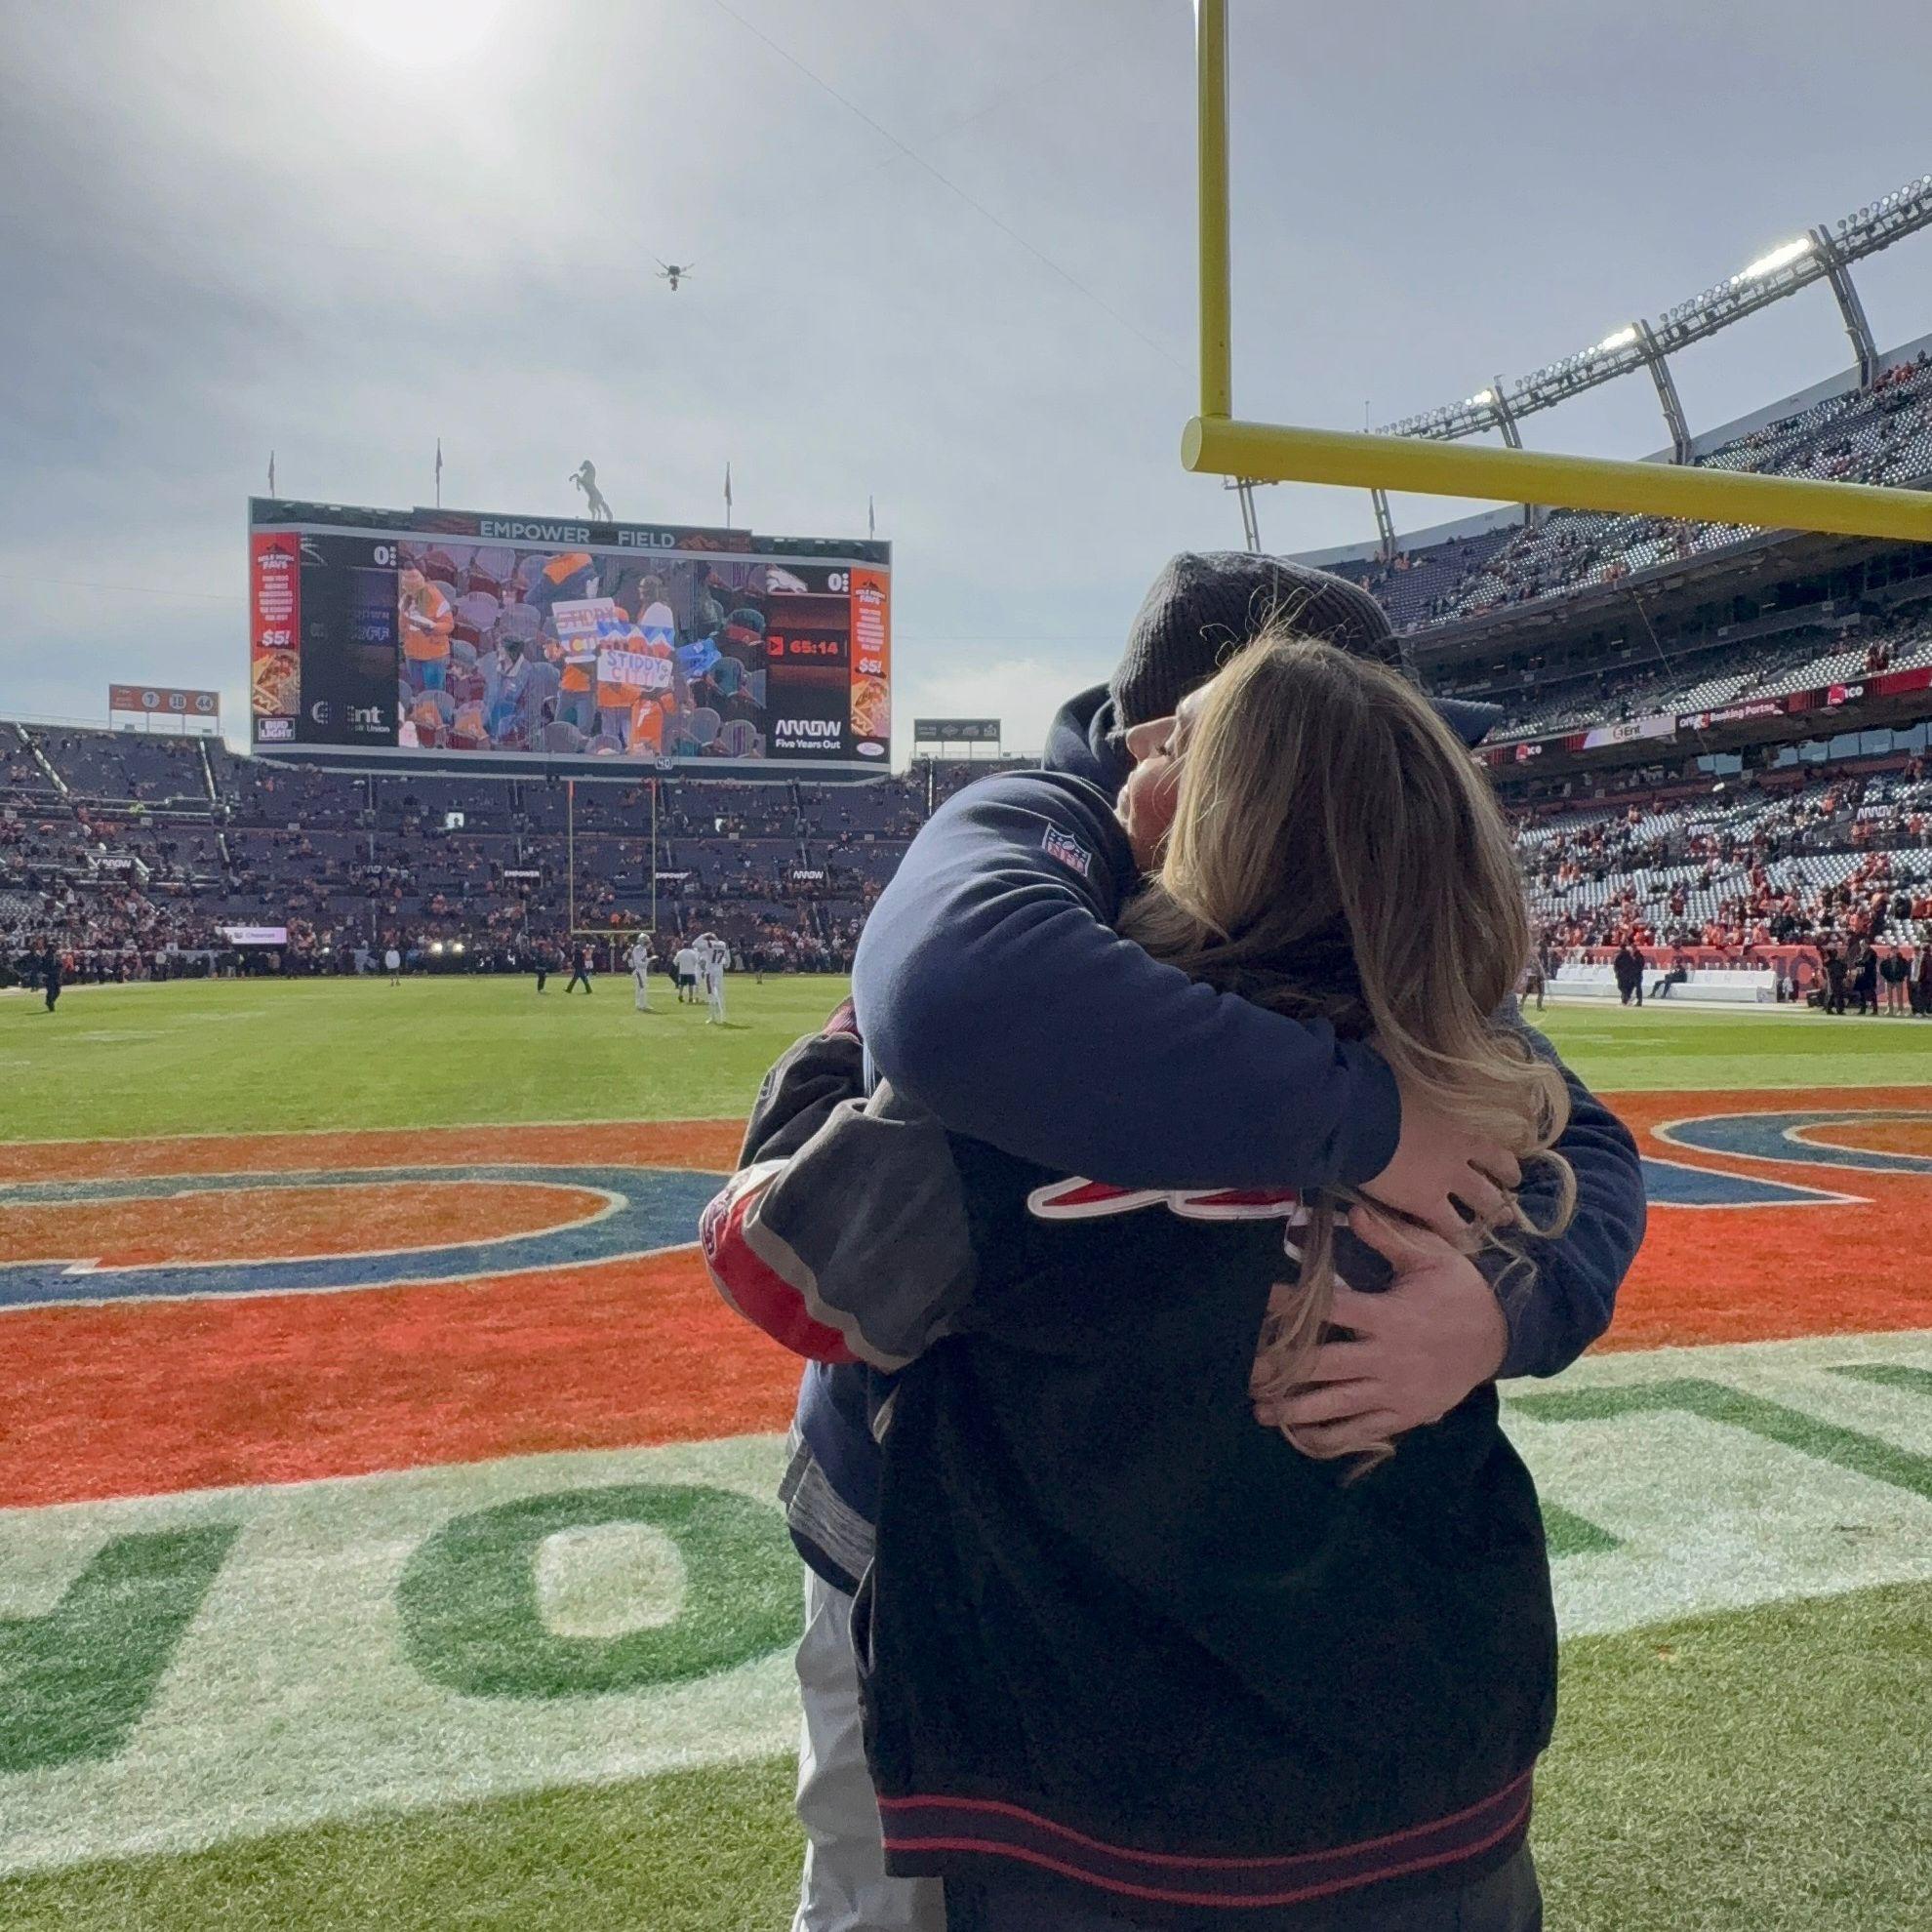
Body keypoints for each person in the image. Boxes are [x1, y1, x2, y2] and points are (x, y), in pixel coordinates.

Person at [710, 553, 1645, 1932]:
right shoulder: (1445, 1061)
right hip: (1414, 1774)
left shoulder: (993, 1091)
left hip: (1068, 1772)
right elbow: (1578, 1156)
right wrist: (1385, 1145)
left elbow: (777, 1249)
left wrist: (843, 1055)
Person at [701, 932, 729, 1024]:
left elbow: (702, 959)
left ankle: (713, 1016)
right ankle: (723, 1017)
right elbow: (727, 960)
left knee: (710, 994)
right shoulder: (723, 944)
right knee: (720, 994)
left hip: (710, 971)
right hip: (719, 970)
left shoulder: (708, 945)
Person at [1879, 944, 1910, 1016]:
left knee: (1899, 996)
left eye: (1896, 950)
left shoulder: (1902, 960)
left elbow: (1906, 969)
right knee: (1889, 996)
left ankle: (1900, 1010)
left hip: (1898, 980)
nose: (1894, 951)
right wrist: (1886, 977)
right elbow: (1882, 969)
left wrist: (1901, 976)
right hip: (1889, 980)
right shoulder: (1886, 960)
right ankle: (1890, 1009)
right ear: (1891, 951)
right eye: (1893, 950)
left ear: (1898, 950)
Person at [1611, 940, 1643, 1006]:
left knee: (1627, 987)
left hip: (1634, 975)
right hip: (1629, 974)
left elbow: (1640, 965)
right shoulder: (1628, 956)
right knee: (1627, 988)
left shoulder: (1637, 956)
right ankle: (1626, 1000)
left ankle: (1632, 1000)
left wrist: (1618, 972)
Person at [629, 933, 655, 1011]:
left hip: (643, 970)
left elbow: (643, 960)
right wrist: (649, 960)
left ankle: (640, 1004)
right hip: (639, 971)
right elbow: (639, 963)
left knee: (640, 987)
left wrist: (648, 960)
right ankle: (642, 1005)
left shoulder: (643, 949)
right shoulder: (637, 949)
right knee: (642, 987)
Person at [673, 940, 701, 1004]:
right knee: (691, 985)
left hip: (682, 971)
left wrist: (679, 964)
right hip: (691, 971)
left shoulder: (680, 953)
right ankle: (690, 997)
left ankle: (680, 994)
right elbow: (696, 961)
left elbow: (675, 962)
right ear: (689, 946)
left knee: (681, 984)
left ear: (683, 946)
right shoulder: (692, 953)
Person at [40, 941, 62, 1013]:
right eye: (53, 947)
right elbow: (42, 967)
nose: (54, 949)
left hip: (55, 976)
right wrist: (44, 974)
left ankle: (49, 1001)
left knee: (57, 991)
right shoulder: (45, 957)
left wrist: (59, 970)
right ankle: (50, 1005)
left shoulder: (55, 956)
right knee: (51, 991)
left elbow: (59, 964)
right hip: (49, 976)